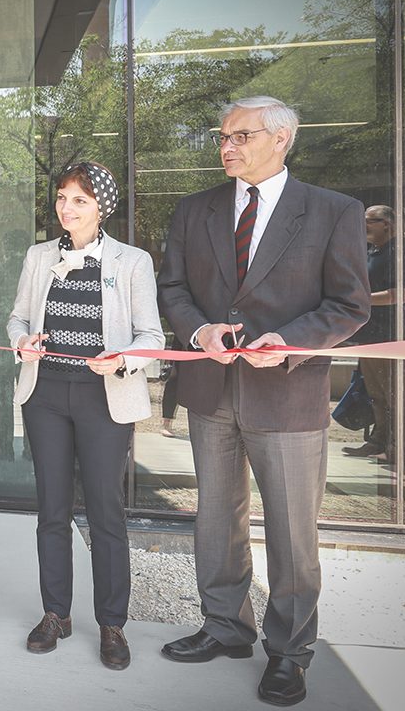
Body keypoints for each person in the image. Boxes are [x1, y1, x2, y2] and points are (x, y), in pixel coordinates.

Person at [157, 96, 369, 706]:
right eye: (222, 136)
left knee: (291, 531)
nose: (226, 145)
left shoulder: (334, 211)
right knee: (216, 519)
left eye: (240, 135)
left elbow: (351, 304)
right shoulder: (195, 210)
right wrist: (199, 331)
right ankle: (225, 628)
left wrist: (293, 340)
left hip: (289, 394)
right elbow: (173, 286)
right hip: (211, 389)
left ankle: (290, 651)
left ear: (282, 139)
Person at [7, 162, 165, 670]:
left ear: (102, 207)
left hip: (104, 399)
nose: (66, 208)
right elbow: (17, 318)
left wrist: (122, 358)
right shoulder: (38, 257)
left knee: (105, 511)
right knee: (51, 509)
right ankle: (56, 613)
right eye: (61, 198)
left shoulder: (133, 261)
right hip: (46, 394)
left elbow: (153, 340)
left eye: (79, 199)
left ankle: (112, 623)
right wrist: (21, 342)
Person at [342, 205, 405, 463]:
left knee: (399, 394)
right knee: (377, 394)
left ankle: (403, 448)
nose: (364, 225)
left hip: (398, 337)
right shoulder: (372, 251)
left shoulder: (404, 251)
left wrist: (360, 300)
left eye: (370, 220)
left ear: (387, 224)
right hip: (373, 337)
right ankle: (379, 441)